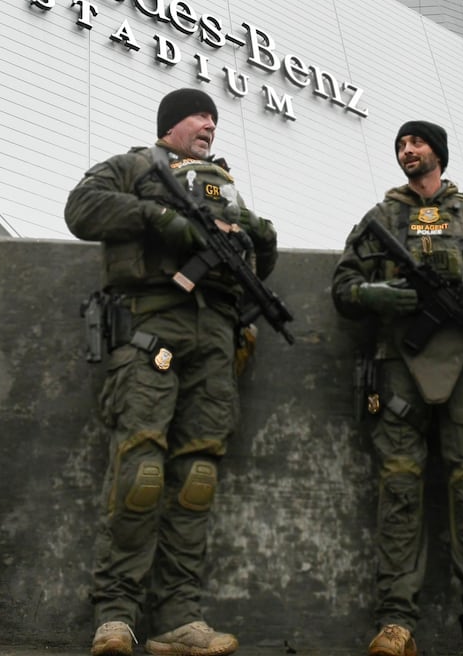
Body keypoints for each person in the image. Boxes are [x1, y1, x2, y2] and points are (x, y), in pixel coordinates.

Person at [64, 88, 279, 656]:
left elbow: (254, 263)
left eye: (214, 118)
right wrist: (160, 218)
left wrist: (258, 236)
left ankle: (179, 617)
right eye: (198, 116)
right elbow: (81, 209)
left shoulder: (225, 190)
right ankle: (115, 615)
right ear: (170, 125)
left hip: (216, 338)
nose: (209, 124)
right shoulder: (134, 165)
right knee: (141, 472)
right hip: (150, 327)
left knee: (197, 480)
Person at [331, 121, 463, 656]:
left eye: (416, 142)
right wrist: (379, 295)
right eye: (401, 144)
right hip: (399, 363)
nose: (408, 150)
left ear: (438, 153)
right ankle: (396, 622)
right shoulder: (381, 219)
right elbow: (343, 288)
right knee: (399, 488)